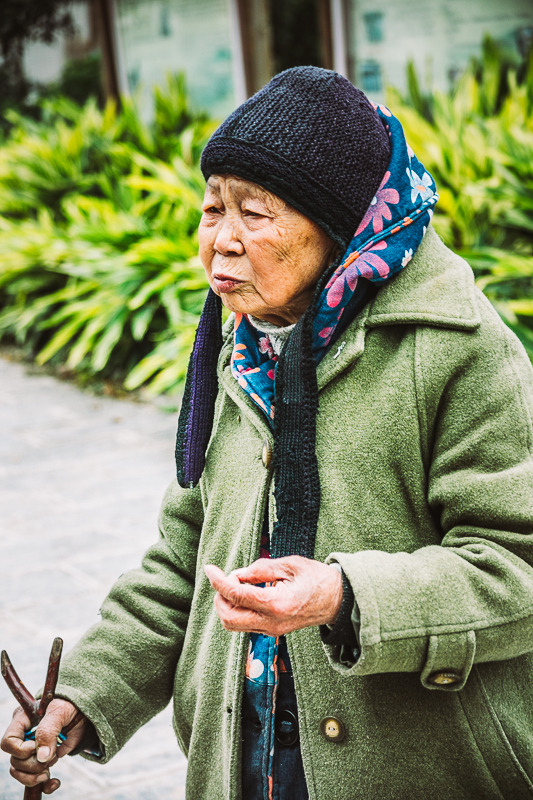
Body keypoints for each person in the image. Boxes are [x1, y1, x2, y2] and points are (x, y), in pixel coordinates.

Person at [2, 66, 533, 800]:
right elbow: (186, 561)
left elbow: (515, 565)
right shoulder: (242, 351)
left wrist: (344, 597)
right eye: (211, 208)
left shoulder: (458, 348)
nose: (220, 241)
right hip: (244, 761)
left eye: (254, 213)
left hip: (412, 762)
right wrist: (85, 696)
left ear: (340, 227)